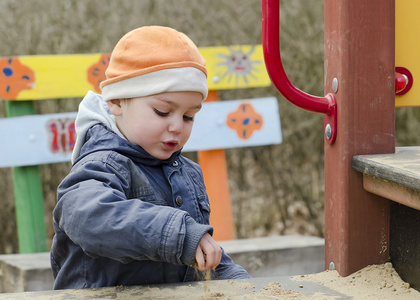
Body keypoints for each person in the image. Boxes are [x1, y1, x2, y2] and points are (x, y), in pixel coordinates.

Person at [50, 25, 250, 289]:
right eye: (163, 111)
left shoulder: (187, 173)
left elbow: (202, 249)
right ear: (117, 101)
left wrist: (240, 282)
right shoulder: (103, 164)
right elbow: (87, 217)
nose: (178, 126)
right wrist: (180, 235)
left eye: (189, 116)